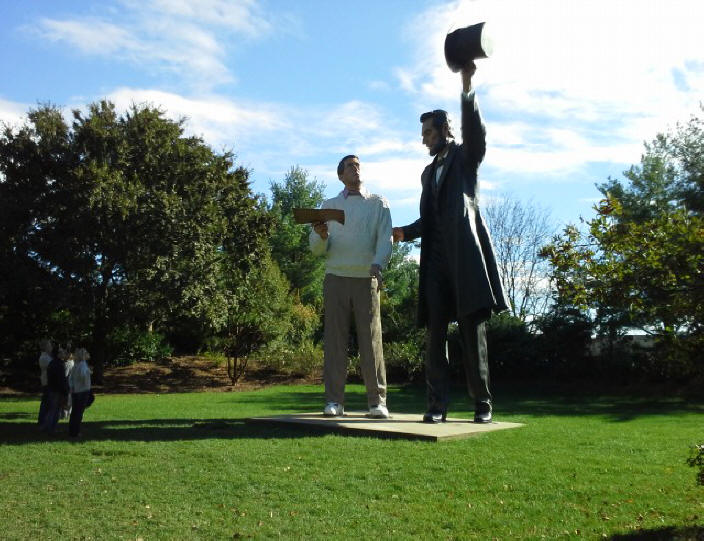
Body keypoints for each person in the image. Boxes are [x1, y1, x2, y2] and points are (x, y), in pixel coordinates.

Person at [392, 61, 507, 424]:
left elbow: (475, 134)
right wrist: (404, 232)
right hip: (435, 263)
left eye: (428, 131)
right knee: (435, 335)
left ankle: (482, 404)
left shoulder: (465, 157)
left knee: (473, 335)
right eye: (423, 132)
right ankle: (437, 406)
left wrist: (467, 86)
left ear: (444, 130)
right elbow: (430, 218)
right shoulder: (427, 173)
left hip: (466, 259)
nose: (423, 137)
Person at [309, 155, 392, 418]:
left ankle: (377, 402)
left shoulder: (378, 203)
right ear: (340, 175)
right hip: (335, 277)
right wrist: (321, 236)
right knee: (335, 342)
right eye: (349, 166)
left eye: (358, 164)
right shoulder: (329, 205)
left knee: (371, 342)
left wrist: (378, 264)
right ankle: (334, 401)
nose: (355, 168)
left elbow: (385, 238)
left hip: (366, 278)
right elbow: (316, 249)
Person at [40, 345, 70, 434]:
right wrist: (65, 391)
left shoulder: (52, 363)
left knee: (52, 410)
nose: (64, 353)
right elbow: (61, 380)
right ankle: (51, 429)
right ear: (57, 354)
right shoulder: (59, 364)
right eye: (61, 352)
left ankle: (46, 427)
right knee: (55, 411)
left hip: (52, 389)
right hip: (57, 391)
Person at [69, 348, 92, 438]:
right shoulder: (82, 365)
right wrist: (88, 373)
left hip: (76, 391)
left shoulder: (76, 365)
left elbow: (71, 378)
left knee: (75, 412)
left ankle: (72, 431)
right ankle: (76, 432)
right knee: (79, 413)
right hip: (82, 391)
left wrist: (73, 386)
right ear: (83, 355)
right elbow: (83, 376)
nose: (88, 354)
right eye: (86, 352)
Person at [37, 339, 53, 426]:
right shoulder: (44, 358)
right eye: (49, 345)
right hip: (47, 382)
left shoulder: (47, 357)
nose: (51, 347)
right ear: (45, 347)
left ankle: (43, 421)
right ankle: (43, 421)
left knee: (46, 402)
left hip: (47, 382)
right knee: (46, 403)